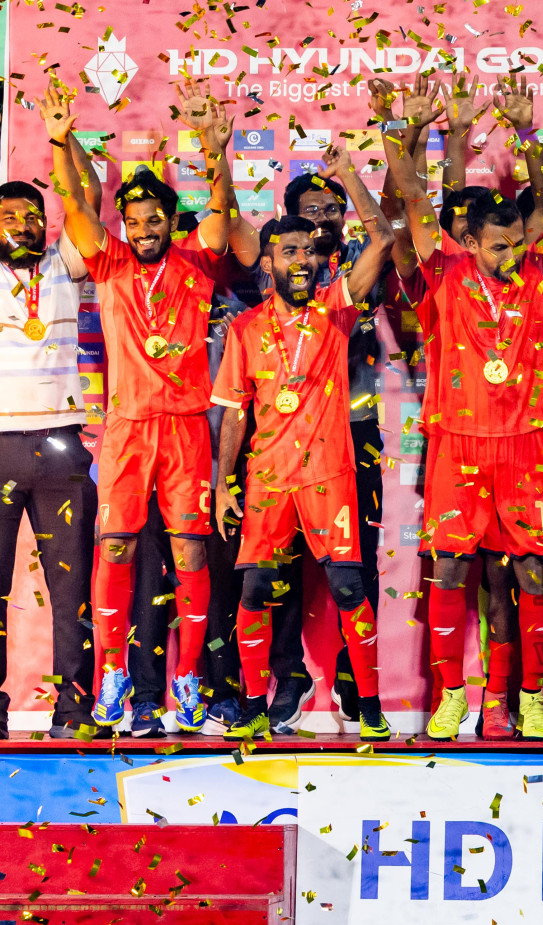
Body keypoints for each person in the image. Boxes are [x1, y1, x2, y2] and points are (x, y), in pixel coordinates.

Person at [45, 79, 255, 733]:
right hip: (128, 431)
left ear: (170, 220)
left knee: (190, 558)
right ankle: (114, 681)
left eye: (153, 219)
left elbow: (223, 219)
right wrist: (58, 139)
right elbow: (77, 213)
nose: (142, 230)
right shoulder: (107, 264)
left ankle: (186, 684)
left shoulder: (197, 263)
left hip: (189, 429)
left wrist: (217, 153)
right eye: (133, 221)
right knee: (114, 555)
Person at [388, 73, 543, 741]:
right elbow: (416, 198)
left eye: (518, 244)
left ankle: (529, 695)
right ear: (469, 243)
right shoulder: (443, 275)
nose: (511, 256)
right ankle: (453, 694)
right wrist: (410, 133)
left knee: (533, 572)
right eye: (498, 246)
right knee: (450, 568)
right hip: (458, 445)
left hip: (525, 447)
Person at [0, 76, 100, 739]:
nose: (25, 223)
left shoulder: (64, 267)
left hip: (62, 444)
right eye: (10, 216)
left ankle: (73, 714)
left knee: (73, 590)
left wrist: (62, 141)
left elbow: (88, 198)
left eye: (33, 215)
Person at [210, 184, 393, 740]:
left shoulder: (336, 310)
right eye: (288, 251)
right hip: (267, 478)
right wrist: (223, 485)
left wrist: (349, 176)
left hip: (329, 476)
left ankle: (371, 707)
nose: (301, 261)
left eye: (308, 251)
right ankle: (256, 706)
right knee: (256, 590)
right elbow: (235, 415)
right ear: (267, 262)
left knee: (348, 590)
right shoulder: (244, 330)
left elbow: (382, 238)